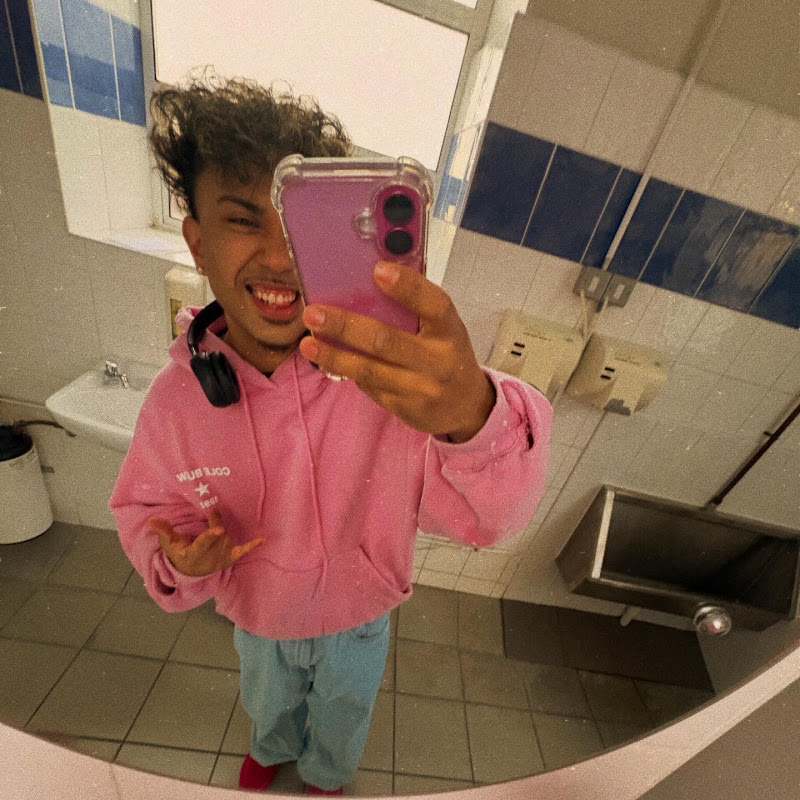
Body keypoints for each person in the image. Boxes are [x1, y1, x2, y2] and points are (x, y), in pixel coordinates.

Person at [109, 72, 552, 796]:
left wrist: (472, 416)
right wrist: (182, 564)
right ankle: (272, 746)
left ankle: (326, 775)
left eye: (302, 227)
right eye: (244, 219)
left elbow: (489, 520)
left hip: (359, 614)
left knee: (346, 712)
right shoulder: (175, 403)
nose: (280, 257)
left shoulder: (385, 382)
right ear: (197, 241)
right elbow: (148, 514)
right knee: (267, 701)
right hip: (260, 616)